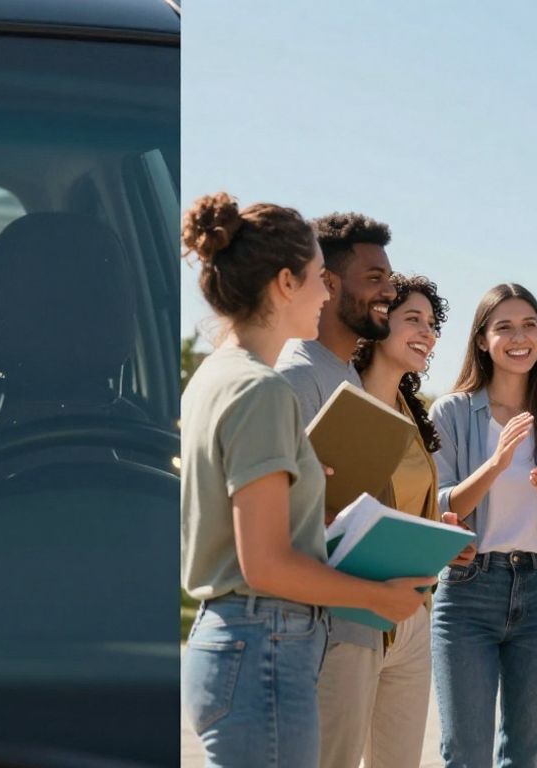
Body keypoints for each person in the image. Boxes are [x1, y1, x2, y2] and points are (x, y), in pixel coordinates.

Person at [179, 192, 434, 768]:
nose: (325, 293)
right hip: (266, 642)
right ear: (286, 284)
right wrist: (380, 598)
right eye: (320, 278)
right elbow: (265, 564)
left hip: (243, 642)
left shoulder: (217, 375)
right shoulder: (263, 388)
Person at [428, 282, 537, 768]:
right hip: (467, 591)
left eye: (529, 325)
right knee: (466, 753)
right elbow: (441, 504)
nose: (520, 338)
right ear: (482, 340)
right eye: (505, 328)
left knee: (525, 756)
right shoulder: (451, 412)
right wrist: (496, 464)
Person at [272, 211, 402, 767]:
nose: (389, 292)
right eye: (374, 278)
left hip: (353, 622)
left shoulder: (344, 375)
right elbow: (277, 518)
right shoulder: (295, 377)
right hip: (320, 630)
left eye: (389, 279)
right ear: (327, 282)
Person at [350, 272, 474, 768]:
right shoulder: (340, 396)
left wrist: (441, 538)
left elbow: (406, 508)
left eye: (432, 323)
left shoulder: (413, 415)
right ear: (379, 320)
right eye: (414, 319)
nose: (429, 333)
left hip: (411, 614)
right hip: (353, 613)